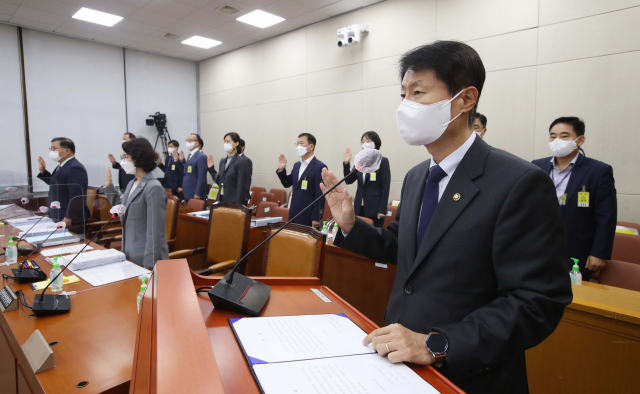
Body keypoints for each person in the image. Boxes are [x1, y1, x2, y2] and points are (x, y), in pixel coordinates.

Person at [320, 41, 572, 394]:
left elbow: (537, 301)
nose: (405, 106)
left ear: (466, 99)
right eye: (403, 94)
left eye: (418, 92)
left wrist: (437, 344)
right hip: (401, 366)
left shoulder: (519, 182)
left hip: (471, 376)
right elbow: (405, 248)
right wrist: (349, 225)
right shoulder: (417, 176)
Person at [532, 117, 617, 281]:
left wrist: (599, 252)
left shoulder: (598, 171)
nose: (557, 141)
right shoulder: (537, 166)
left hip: (576, 247)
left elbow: (606, 216)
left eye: (564, 136)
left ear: (580, 140)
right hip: (539, 244)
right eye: (552, 136)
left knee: (572, 295)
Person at [103, 138, 168, 269]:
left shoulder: (153, 187)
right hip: (129, 251)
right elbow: (122, 209)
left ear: (138, 159)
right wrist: (109, 188)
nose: (122, 161)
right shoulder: (131, 183)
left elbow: (155, 231)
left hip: (146, 257)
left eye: (125, 157)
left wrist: (149, 263)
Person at [37, 137, 90, 232]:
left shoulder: (75, 167)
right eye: (51, 149)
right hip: (58, 214)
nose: (51, 152)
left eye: (54, 148)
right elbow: (56, 183)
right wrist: (43, 171)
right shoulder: (62, 166)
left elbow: (77, 196)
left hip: (70, 219)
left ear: (67, 150)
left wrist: (68, 217)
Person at [276, 133, 327, 228]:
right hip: (293, 214)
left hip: (308, 217)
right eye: (297, 143)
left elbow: (320, 195)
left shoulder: (319, 167)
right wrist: (282, 170)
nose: (298, 146)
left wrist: (317, 217)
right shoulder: (297, 165)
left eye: (301, 143)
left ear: (311, 146)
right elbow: (287, 183)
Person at [343, 131, 391, 228]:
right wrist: (346, 163)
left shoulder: (382, 161)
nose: (364, 144)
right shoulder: (360, 162)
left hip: (375, 208)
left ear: (375, 144)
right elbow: (349, 180)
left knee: (373, 237)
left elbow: (385, 186)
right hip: (358, 207)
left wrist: (382, 209)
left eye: (367, 141)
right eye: (363, 141)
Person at [207, 132, 251, 205]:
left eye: (228, 141)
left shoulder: (241, 161)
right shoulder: (223, 161)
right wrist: (211, 169)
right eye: (225, 141)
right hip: (222, 200)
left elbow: (241, 185)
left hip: (234, 202)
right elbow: (220, 181)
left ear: (236, 143)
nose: (225, 143)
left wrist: (238, 205)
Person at [180, 133, 207, 201]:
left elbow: (202, 177)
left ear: (197, 143)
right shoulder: (190, 155)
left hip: (195, 193)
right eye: (187, 140)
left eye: (190, 140)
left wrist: (198, 193)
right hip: (188, 192)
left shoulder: (201, 156)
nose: (187, 142)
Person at [239, 138, 253, 204]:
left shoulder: (246, 160)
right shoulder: (229, 160)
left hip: (240, 195)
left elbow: (248, 179)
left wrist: (245, 195)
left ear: (242, 147)